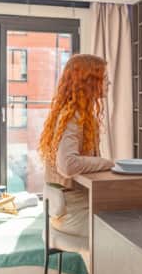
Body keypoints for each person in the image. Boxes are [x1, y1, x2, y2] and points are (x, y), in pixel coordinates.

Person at [38, 54, 113, 259]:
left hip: (63, 210)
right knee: (125, 232)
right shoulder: (73, 116)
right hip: (71, 213)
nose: (108, 82)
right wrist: (107, 163)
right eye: (103, 77)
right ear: (89, 81)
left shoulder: (75, 113)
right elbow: (67, 165)